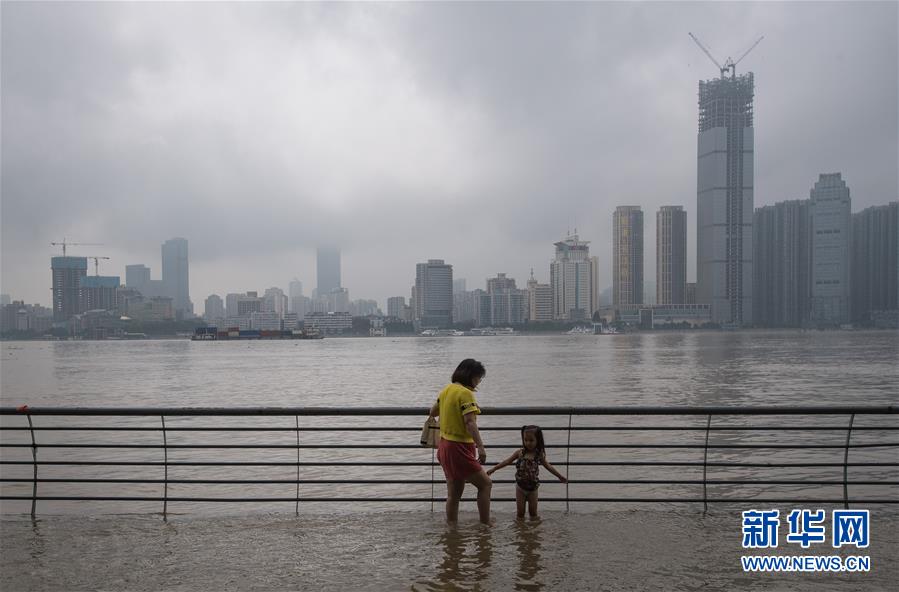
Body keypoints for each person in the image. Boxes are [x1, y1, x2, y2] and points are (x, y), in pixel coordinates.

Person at [428, 358, 492, 524]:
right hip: (459, 447)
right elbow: (470, 422)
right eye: (479, 377)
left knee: (454, 494)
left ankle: (452, 529)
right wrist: (481, 447)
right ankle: (485, 525)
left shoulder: (446, 390)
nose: (479, 381)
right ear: (471, 376)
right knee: (485, 484)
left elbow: (432, 412)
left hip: (444, 446)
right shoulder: (465, 393)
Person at [487, 425, 567, 519]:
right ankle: (521, 528)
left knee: (533, 513)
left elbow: (548, 466)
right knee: (520, 513)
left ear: (538, 440)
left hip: (533, 488)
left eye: (531, 440)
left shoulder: (539, 455)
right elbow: (507, 461)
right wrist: (494, 469)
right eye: (526, 440)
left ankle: (532, 528)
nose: (528, 443)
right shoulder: (519, 453)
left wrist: (559, 476)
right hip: (520, 487)